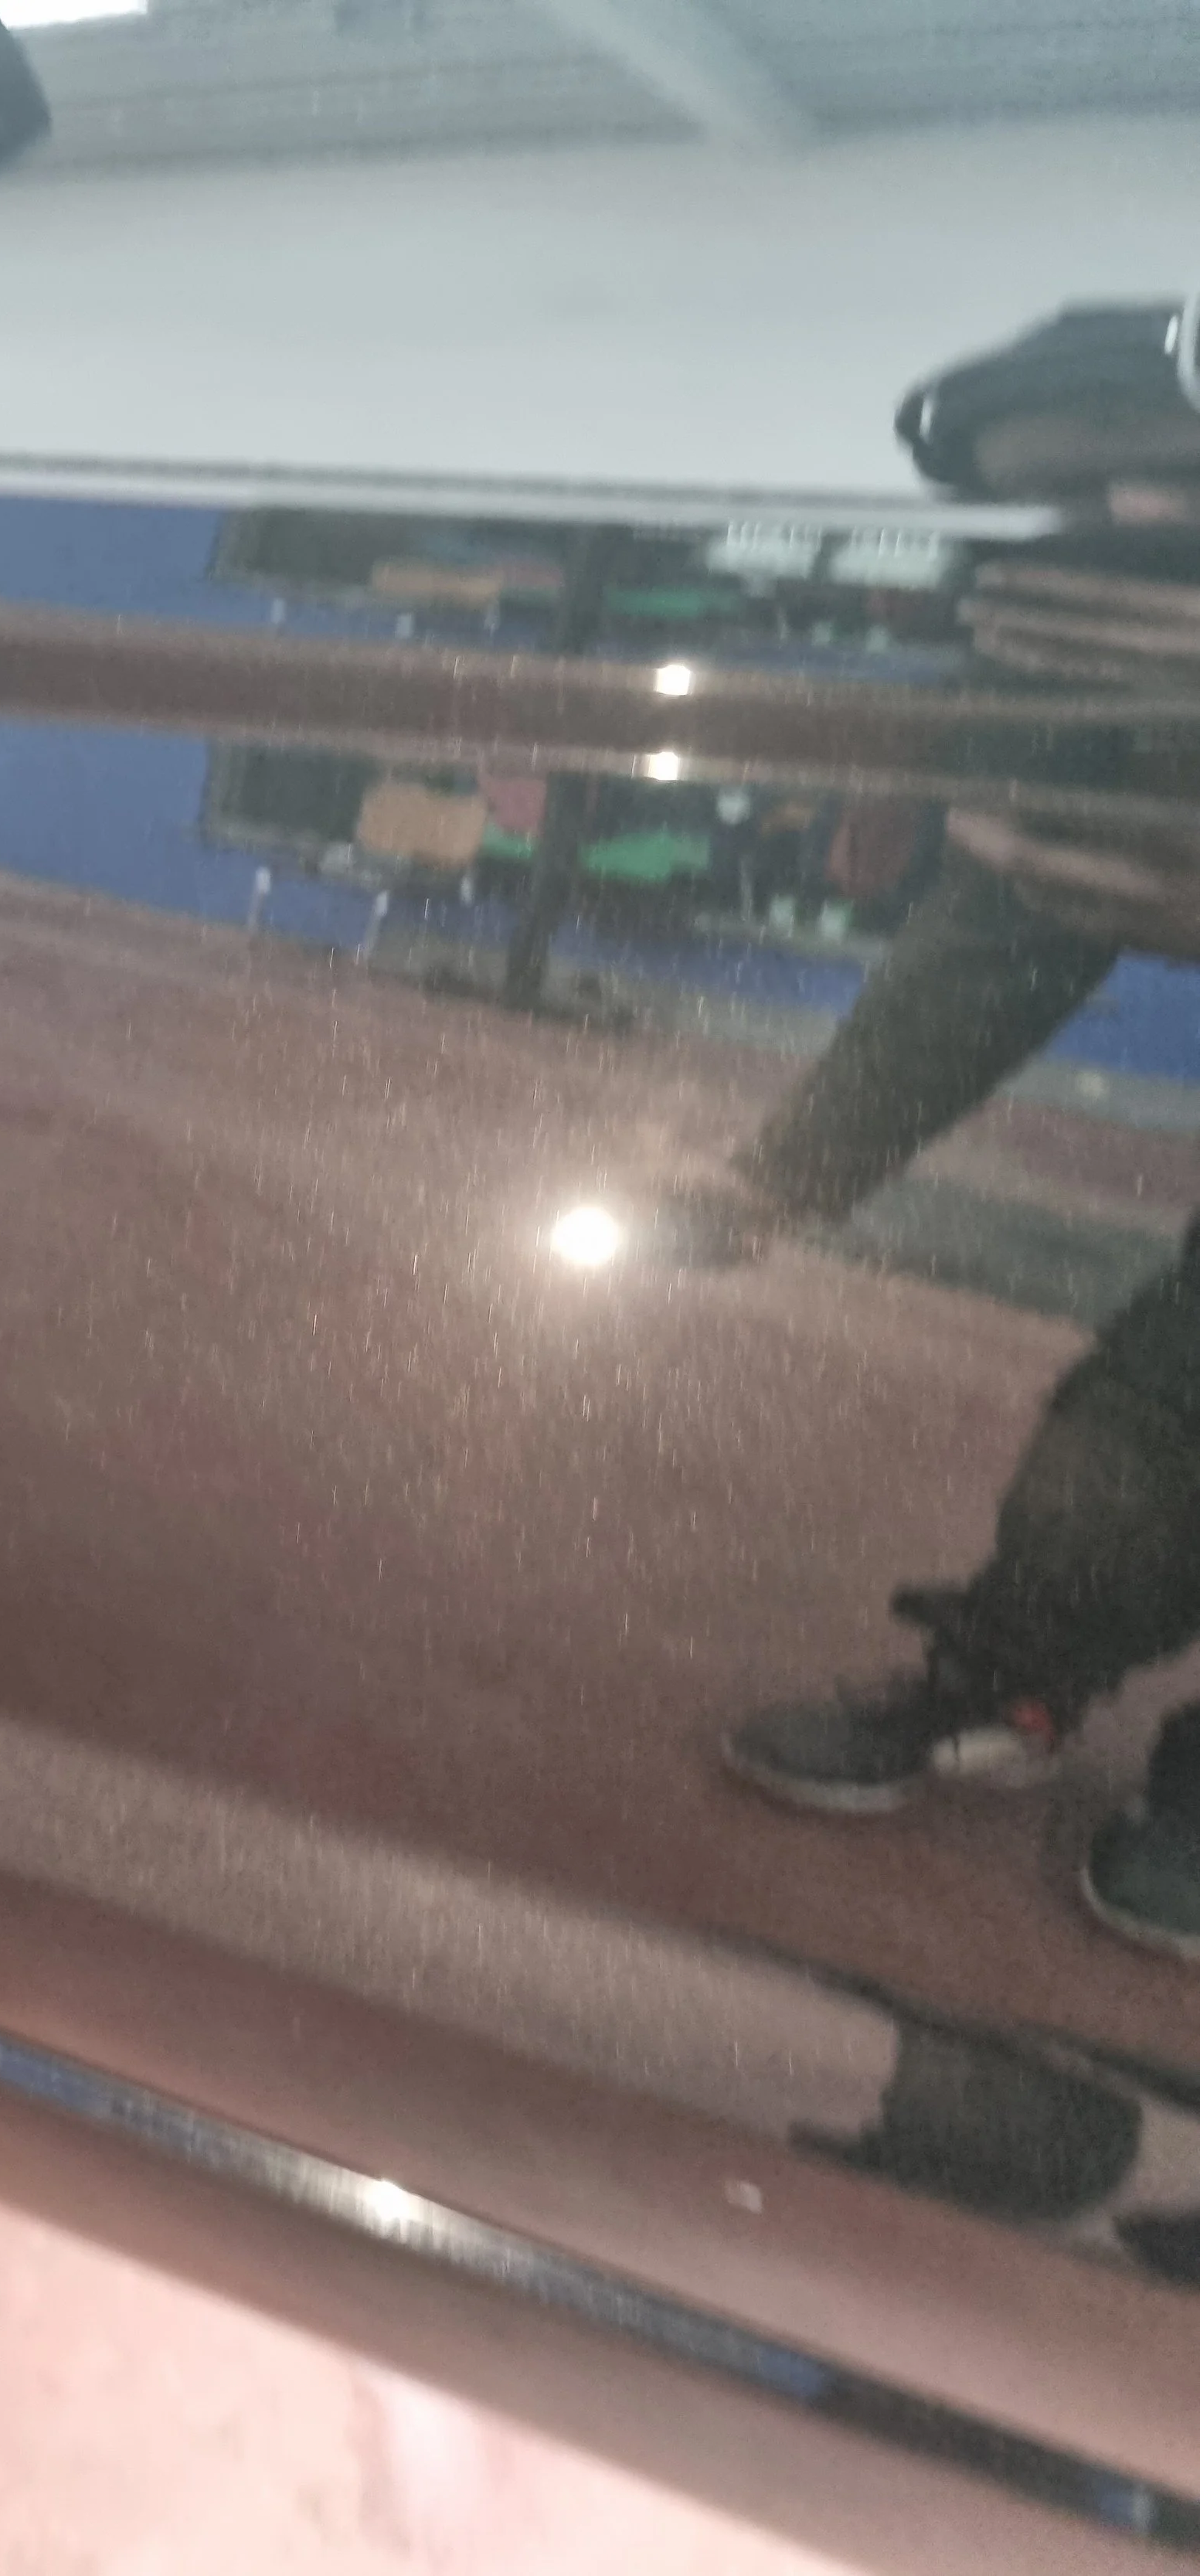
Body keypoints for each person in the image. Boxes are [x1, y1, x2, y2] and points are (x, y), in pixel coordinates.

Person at [675, 475, 1200, 1960]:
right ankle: (1017, 1679)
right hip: (1104, 674)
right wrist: (785, 1174)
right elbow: (1007, 931)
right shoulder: (1088, 614)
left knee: (1171, 1390)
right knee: (1140, 1431)